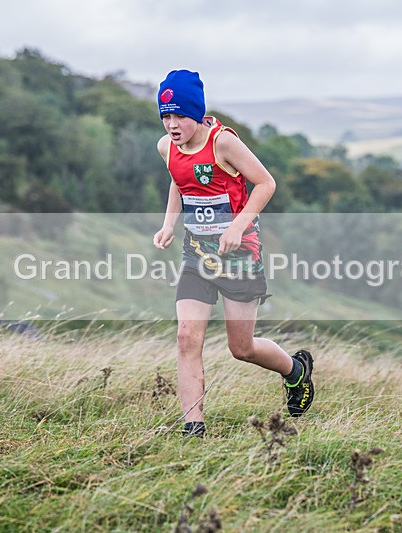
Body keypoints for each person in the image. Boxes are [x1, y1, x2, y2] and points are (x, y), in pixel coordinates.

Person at [152, 70, 314, 438]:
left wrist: (238, 225)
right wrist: (168, 225)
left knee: (241, 348)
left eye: (180, 116)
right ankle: (193, 429)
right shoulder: (167, 146)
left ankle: (295, 370)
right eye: (166, 116)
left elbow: (266, 183)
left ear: (197, 112)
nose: (173, 125)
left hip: (240, 257)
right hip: (197, 256)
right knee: (186, 337)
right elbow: (179, 183)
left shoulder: (223, 143)